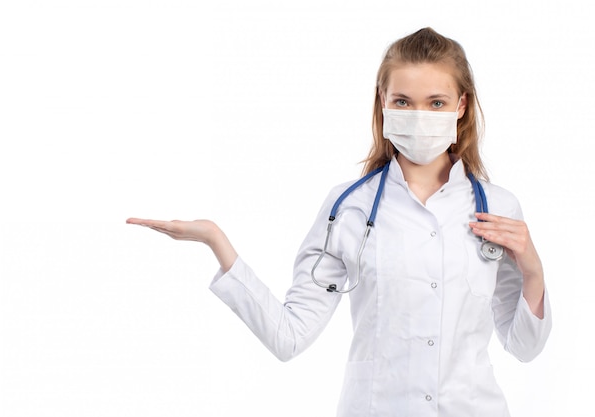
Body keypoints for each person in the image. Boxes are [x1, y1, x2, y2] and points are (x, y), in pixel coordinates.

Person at [127, 27, 551, 417]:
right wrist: (217, 242)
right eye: (403, 101)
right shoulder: (349, 207)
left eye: (436, 102)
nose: (419, 115)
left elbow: (524, 347)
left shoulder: (498, 207)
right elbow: (288, 337)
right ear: (383, 103)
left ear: (460, 106)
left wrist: (532, 270)